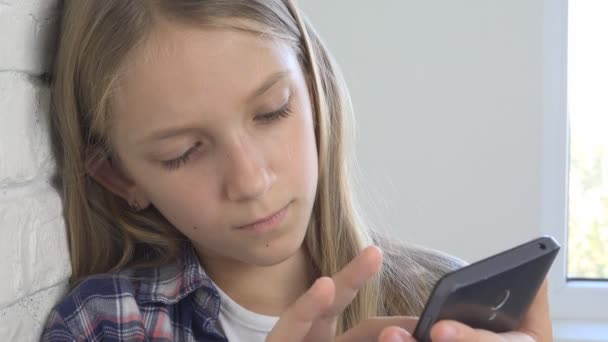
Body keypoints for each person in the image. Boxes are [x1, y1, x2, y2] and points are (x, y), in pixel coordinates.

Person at [40, 1, 552, 341]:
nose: (250, 181)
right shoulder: (105, 325)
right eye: (183, 151)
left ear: (315, 91)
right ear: (119, 176)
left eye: (272, 111)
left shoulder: (438, 300)